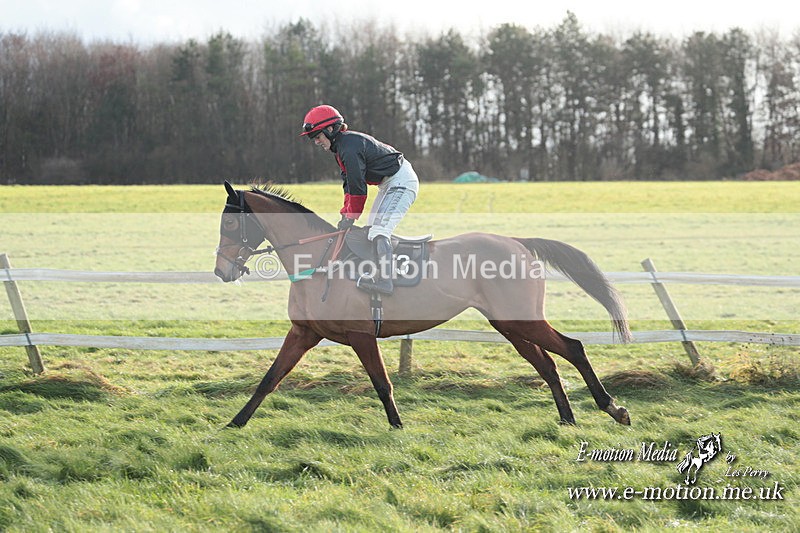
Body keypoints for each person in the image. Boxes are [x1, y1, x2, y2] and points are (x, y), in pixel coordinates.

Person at [301, 104, 419, 295]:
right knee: (370, 231)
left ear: (330, 130)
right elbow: (348, 184)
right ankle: (374, 271)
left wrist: (351, 216)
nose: (316, 142)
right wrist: (346, 214)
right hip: (388, 184)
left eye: (318, 136)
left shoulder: (349, 147)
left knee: (379, 231)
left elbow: (358, 187)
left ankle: (385, 282)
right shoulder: (341, 148)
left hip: (401, 181)